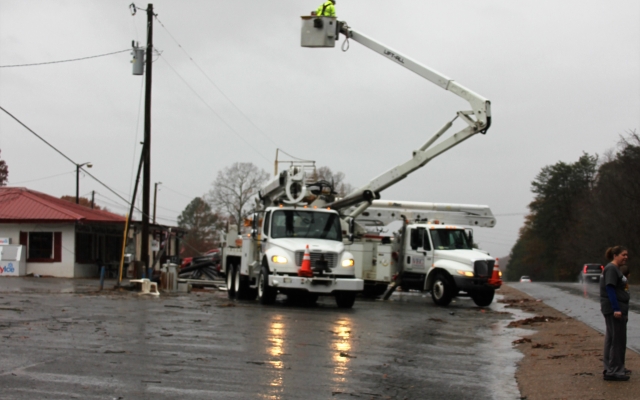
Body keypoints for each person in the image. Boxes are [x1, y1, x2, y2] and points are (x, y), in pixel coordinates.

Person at [600, 245, 630, 381]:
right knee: (618, 340)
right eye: (623, 255)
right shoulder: (611, 269)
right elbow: (610, 289)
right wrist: (616, 309)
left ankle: (610, 368)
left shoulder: (614, 269)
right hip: (614, 309)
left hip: (617, 308)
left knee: (612, 338)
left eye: (627, 255)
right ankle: (615, 371)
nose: (626, 257)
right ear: (615, 255)